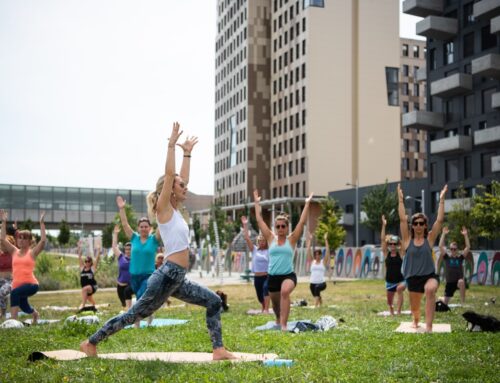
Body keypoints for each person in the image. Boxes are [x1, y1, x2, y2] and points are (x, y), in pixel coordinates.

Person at [81, 122, 235, 360]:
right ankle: (91, 343)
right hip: (166, 276)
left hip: (177, 278)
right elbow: (173, 175)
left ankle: (218, 350)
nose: (186, 186)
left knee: (214, 302)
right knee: (133, 315)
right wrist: (172, 145)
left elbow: (179, 177)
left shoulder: (176, 207)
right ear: (170, 190)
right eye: (181, 185)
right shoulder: (163, 209)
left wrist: (187, 153)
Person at [253, 189, 313, 331]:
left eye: (283, 226)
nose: (280, 228)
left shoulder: (291, 239)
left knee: (285, 292)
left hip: (288, 275)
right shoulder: (270, 238)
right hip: (272, 277)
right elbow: (259, 220)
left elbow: (302, 222)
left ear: (287, 228)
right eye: (278, 226)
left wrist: (307, 204)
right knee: (276, 306)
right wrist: (257, 203)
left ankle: (284, 326)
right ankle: (279, 319)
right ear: (275, 227)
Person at [398, 184, 447, 332]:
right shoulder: (407, 241)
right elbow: (402, 220)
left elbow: (439, 221)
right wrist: (400, 200)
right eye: (416, 223)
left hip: (429, 276)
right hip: (412, 278)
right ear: (412, 226)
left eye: (422, 223)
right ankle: (416, 320)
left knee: (430, 289)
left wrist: (442, 200)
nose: (418, 225)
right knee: (416, 312)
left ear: (425, 226)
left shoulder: (430, 239)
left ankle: (429, 327)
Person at [0, 210, 46, 324]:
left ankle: (14, 321)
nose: (21, 240)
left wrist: (41, 223)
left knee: (14, 294)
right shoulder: (14, 251)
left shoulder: (32, 252)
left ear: (30, 241)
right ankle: (35, 314)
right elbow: (2, 239)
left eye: (24, 238)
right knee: (24, 306)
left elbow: (43, 241)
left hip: (31, 285)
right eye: (20, 237)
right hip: (17, 285)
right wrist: (3, 222)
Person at [241, 215, 270, 313]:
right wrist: (245, 225)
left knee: (266, 289)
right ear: (258, 242)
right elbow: (246, 238)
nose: (262, 243)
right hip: (257, 277)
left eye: (263, 241)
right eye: (260, 241)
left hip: (266, 276)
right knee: (259, 296)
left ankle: (266, 309)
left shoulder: (268, 251)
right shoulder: (254, 250)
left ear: (266, 242)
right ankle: (263, 306)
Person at [381, 214, 405, 316]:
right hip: (389, 281)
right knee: (389, 303)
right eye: (390, 244)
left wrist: (403, 222)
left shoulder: (401, 253)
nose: (392, 245)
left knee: (400, 290)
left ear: (397, 244)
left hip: (400, 280)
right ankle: (392, 312)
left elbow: (405, 238)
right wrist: (384, 225)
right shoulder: (387, 254)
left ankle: (399, 312)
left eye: (394, 244)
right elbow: (382, 240)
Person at [439, 226, 470, 305]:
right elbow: (440, 246)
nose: (453, 250)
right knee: (445, 302)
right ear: (450, 249)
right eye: (451, 249)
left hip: (458, 282)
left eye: (455, 249)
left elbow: (468, 247)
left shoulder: (460, 258)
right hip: (449, 283)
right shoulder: (447, 258)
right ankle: (440, 298)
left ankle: (463, 303)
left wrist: (465, 235)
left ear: (457, 250)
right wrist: (443, 234)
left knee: (461, 281)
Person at [306, 232, 330, 308]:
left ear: (320, 255)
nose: (317, 256)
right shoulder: (312, 262)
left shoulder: (323, 262)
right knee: (316, 294)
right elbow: (308, 251)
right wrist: (310, 240)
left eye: (318, 254)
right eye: (315, 254)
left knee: (317, 289)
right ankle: (320, 303)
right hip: (312, 283)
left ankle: (316, 306)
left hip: (322, 283)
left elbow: (327, 251)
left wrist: (325, 239)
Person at [111, 225, 133, 311]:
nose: (128, 251)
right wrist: (115, 234)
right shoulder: (121, 257)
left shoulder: (136, 258)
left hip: (131, 284)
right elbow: (114, 246)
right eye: (126, 249)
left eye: (130, 249)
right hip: (120, 285)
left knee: (128, 305)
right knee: (124, 304)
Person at [78, 241, 101, 310]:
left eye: (88, 261)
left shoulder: (92, 269)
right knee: (89, 298)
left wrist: (98, 250)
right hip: (87, 288)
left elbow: (97, 259)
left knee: (84, 289)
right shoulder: (82, 268)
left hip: (93, 286)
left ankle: (83, 306)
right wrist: (79, 247)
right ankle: (94, 305)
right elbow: (79, 256)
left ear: (91, 262)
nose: (87, 262)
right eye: (86, 261)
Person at [0, 224, 16, 319]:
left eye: (3, 244)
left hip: (9, 281)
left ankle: (2, 313)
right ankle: (3, 312)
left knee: (1, 292)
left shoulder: (13, 254)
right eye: (0, 243)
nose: (1, 245)